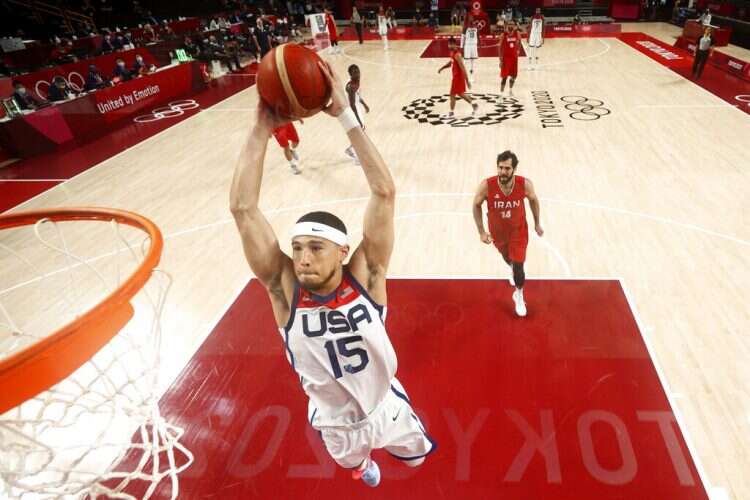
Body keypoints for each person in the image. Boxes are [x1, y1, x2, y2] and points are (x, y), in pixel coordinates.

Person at [229, 61, 435, 489]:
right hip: (336, 425)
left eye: (315, 248)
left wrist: (345, 113)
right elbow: (243, 210)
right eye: (298, 248)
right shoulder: (284, 291)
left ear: (343, 252)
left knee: (416, 461)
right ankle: (362, 466)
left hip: (386, 407)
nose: (302, 258)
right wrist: (261, 129)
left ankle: (386, 456)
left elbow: (385, 192)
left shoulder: (367, 274)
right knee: (354, 467)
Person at [472, 150, 543, 317]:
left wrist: (537, 223)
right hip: (498, 233)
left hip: (518, 232)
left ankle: (518, 293)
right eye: (500, 168)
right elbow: (476, 205)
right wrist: (481, 232)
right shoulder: (486, 186)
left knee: (519, 264)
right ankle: (512, 268)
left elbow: (533, 200)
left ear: (514, 169)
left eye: (507, 168)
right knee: (508, 259)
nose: (503, 172)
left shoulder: (524, 184)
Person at [437, 37, 478, 118]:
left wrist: (467, 81)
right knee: (460, 93)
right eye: (448, 44)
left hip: (458, 77)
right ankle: (474, 105)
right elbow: (450, 63)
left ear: (454, 44)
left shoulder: (457, 54)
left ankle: (452, 112)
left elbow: (463, 68)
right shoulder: (452, 52)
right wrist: (442, 68)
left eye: (450, 44)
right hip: (455, 77)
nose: (448, 46)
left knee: (452, 94)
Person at [344, 64, 371, 164]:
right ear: (350, 74)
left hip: (356, 107)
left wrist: (364, 105)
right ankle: (356, 157)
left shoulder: (356, 82)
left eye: (358, 71)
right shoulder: (351, 86)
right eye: (355, 73)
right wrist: (358, 120)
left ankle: (350, 149)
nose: (358, 74)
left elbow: (358, 95)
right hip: (352, 109)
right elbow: (352, 104)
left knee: (361, 131)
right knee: (360, 132)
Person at [498, 21, 523, 97]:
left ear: (514, 25)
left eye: (512, 24)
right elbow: (499, 47)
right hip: (506, 58)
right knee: (504, 77)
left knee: (514, 76)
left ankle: (510, 90)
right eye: (509, 24)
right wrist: (500, 60)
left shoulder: (517, 33)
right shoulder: (503, 35)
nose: (511, 25)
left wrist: (518, 50)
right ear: (507, 25)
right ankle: (501, 94)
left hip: (514, 58)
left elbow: (520, 41)